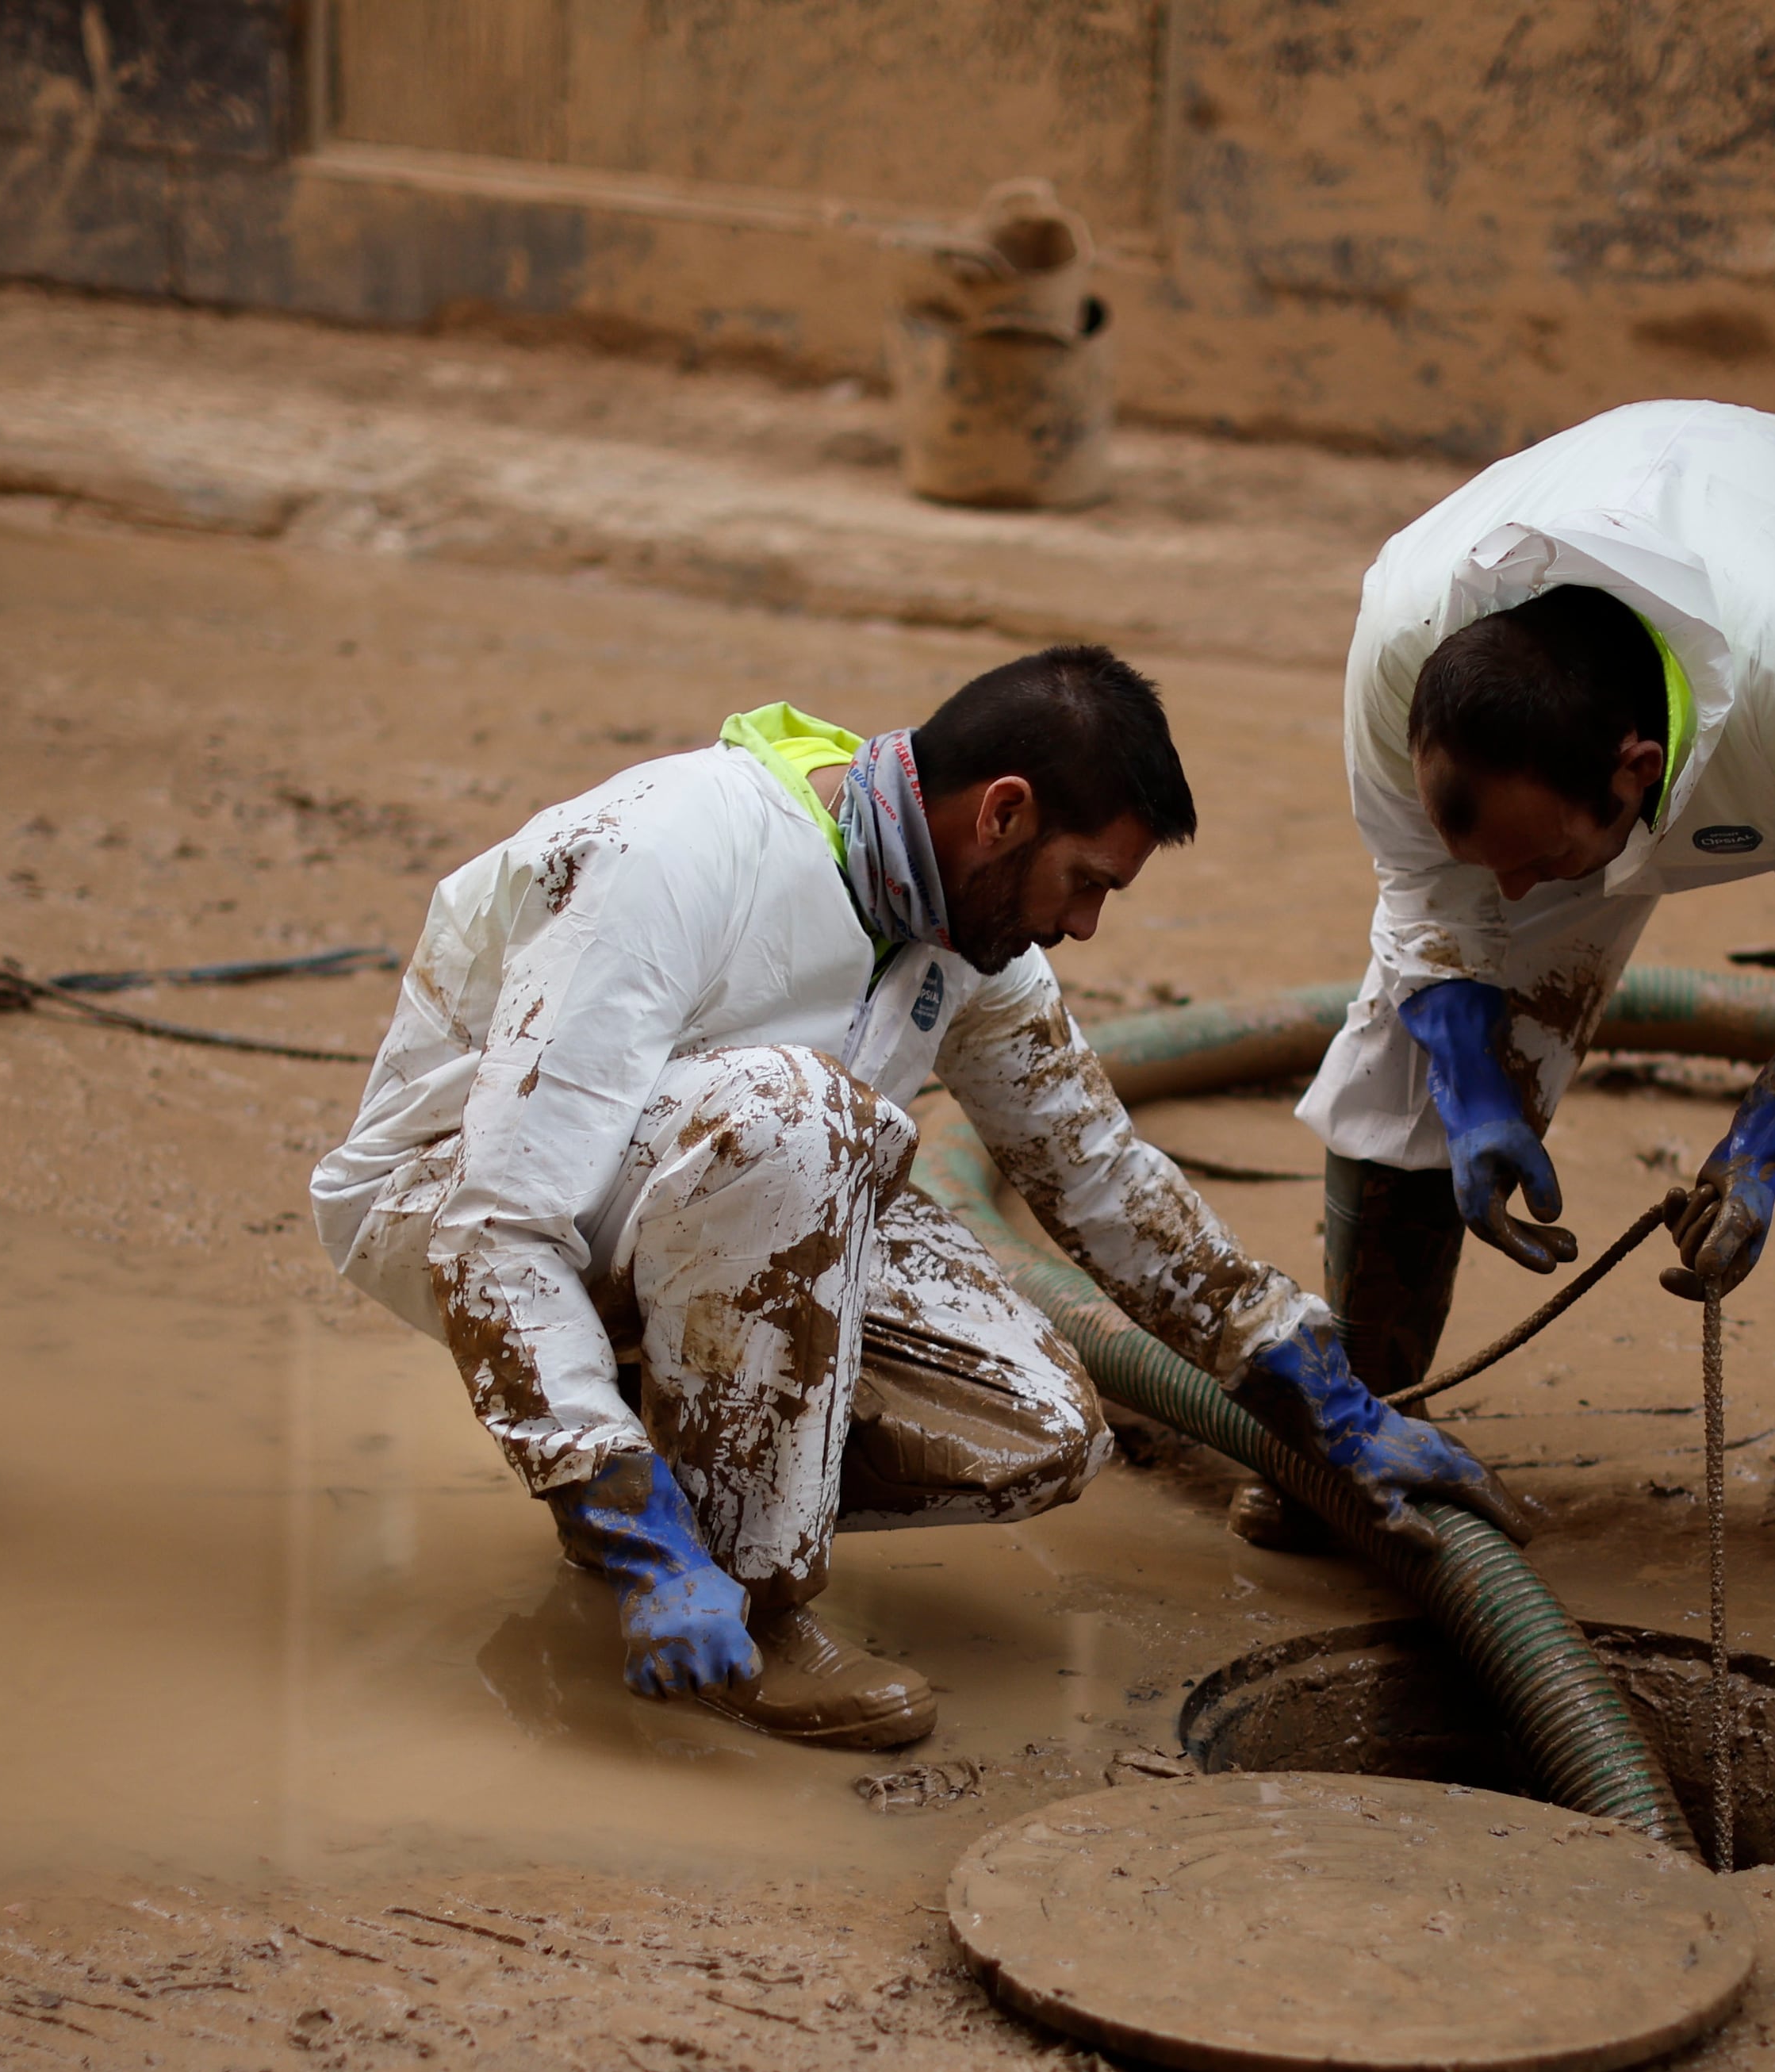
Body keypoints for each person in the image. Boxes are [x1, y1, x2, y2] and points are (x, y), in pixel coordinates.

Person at [309, 647, 1525, 1748]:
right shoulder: (677, 851)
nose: (1088, 925)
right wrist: (634, 1529)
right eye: (1086, 880)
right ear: (1003, 813)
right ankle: (745, 1592)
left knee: (1036, 1426)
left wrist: (1323, 1396)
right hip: (452, 1190)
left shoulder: (964, 938)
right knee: (807, 1116)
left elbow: (1100, 1173)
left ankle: (670, 1459)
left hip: (710, 1192)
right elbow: (497, 1223)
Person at [1269, 400, 1775, 1645]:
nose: (1518, 895)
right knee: (1399, 1049)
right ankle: (1362, 1415)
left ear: (1636, 772)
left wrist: (1769, 1143)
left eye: (1542, 859)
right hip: (1662, 654)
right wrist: (1471, 1087)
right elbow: (1435, 891)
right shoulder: (1404, 641)